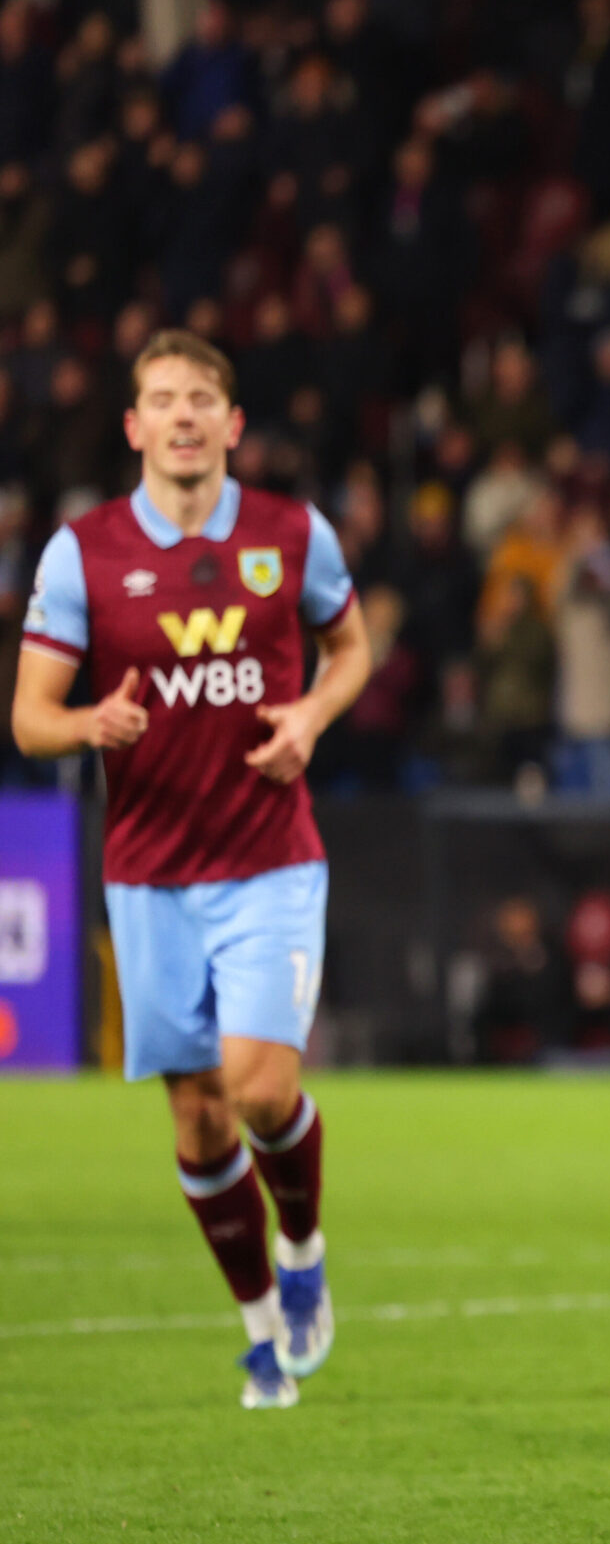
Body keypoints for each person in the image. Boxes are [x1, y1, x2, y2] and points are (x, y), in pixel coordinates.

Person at [11, 330, 371, 1409]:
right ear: (133, 426)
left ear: (231, 423)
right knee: (199, 1119)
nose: (181, 415)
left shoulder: (289, 533)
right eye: (161, 398)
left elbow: (351, 648)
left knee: (262, 1086)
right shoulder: (81, 552)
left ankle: (301, 1246)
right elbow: (27, 719)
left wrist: (310, 711)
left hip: (269, 856)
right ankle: (263, 1318)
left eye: (200, 398)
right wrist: (91, 722)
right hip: (150, 872)